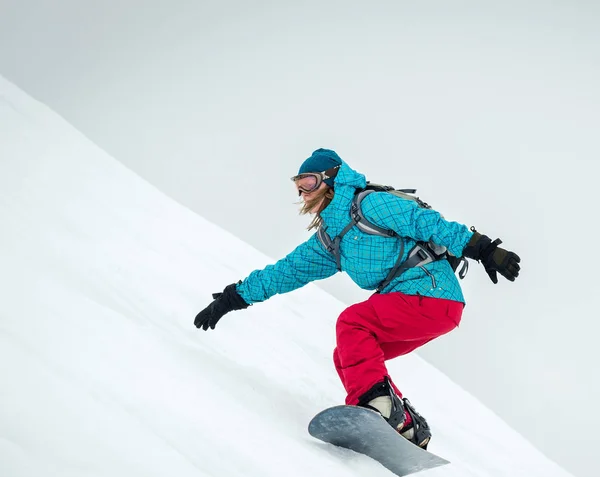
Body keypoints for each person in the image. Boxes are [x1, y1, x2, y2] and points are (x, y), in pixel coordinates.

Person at [194, 149, 520, 449]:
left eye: (308, 181)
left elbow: (429, 224)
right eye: (297, 185)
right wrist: (232, 298)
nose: (303, 191)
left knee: (353, 323)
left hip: (430, 293)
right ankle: (405, 427)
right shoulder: (330, 241)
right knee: (348, 356)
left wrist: (485, 249)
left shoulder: (370, 205)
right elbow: (285, 272)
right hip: (426, 306)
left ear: (331, 178)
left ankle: (378, 405)